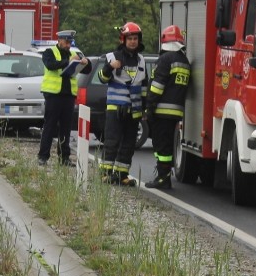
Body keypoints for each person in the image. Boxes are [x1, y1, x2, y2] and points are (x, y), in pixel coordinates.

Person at [97, 22, 149, 186]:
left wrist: (145, 109)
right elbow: (102, 78)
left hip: (134, 110)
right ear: (123, 40)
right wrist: (109, 67)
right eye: (130, 39)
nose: (133, 42)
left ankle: (121, 175)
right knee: (112, 141)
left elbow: (144, 87)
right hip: (116, 108)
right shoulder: (112, 57)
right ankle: (106, 173)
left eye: (135, 39)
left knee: (128, 143)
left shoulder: (141, 60)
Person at [144, 25, 191, 190]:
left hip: (161, 111)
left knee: (161, 145)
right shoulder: (184, 60)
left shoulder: (165, 59)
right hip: (175, 111)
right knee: (166, 144)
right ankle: (163, 175)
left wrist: (149, 106)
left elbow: (157, 86)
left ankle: (163, 178)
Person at [37, 30, 90, 166]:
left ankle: (64, 158)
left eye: (70, 42)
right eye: (66, 42)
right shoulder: (49, 52)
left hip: (68, 96)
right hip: (53, 95)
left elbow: (87, 69)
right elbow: (51, 65)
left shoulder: (73, 54)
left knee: (66, 128)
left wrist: (85, 62)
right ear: (59, 40)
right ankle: (43, 156)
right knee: (50, 126)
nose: (68, 45)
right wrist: (67, 62)